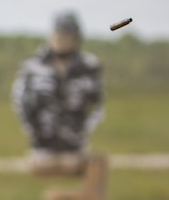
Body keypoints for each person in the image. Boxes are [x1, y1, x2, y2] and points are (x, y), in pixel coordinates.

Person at [10, 12, 104, 174]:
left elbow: (97, 104)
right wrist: (33, 130)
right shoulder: (33, 66)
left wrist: (83, 130)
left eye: (66, 34)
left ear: (76, 37)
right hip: (41, 147)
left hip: (75, 147)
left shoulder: (89, 67)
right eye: (58, 33)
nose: (61, 39)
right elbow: (20, 101)